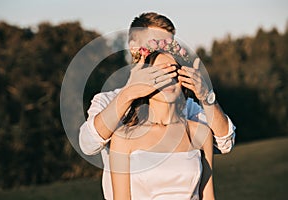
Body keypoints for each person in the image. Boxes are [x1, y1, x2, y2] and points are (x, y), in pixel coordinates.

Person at [79, 12, 236, 199]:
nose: (164, 48)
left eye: (169, 43)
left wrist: (206, 96)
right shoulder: (107, 101)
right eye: (157, 42)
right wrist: (129, 93)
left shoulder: (188, 108)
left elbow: (225, 142)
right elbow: (88, 144)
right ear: (134, 48)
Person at [110, 46, 215, 199]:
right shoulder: (123, 138)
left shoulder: (201, 133)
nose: (169, 79)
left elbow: (208, 197)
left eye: (174, 71)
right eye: (160, 74)